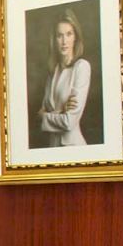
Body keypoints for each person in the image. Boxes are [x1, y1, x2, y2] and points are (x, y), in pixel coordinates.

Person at [38, 8, 91, 147]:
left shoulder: (81, 67)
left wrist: (45, 116)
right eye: (59, 35)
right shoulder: (53, 71)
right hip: (53, 148)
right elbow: (38, 117)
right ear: (54, 39)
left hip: (74, 147)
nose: (64, 41)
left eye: (69, 34)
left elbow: (69, 122)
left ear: (75, 37)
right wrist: (61, 110)